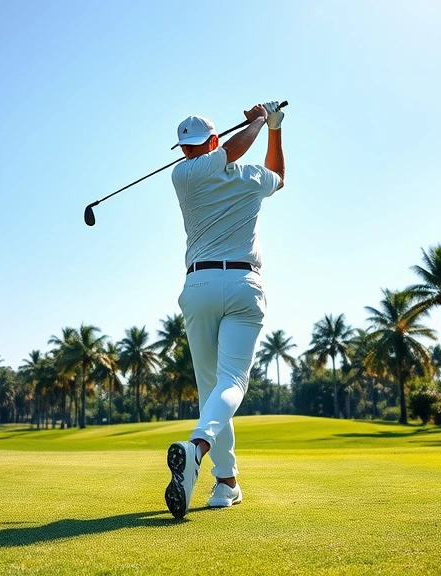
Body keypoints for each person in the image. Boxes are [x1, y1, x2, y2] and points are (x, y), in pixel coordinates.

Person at [164, 101, 285, 519]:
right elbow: (274, 174)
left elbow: (262, 168)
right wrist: (267, 125)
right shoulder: (210, 173)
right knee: (230, 382)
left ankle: (225, 483)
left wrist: (266, 127)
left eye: (191, 147)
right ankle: (198, 447)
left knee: (212, 389)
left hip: (198, 285)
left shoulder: (184, 173)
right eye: (187, 148)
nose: (188, 154)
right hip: (242, 285)